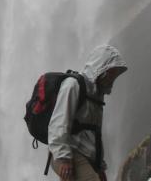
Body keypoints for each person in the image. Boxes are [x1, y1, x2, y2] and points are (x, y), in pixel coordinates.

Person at [48, 45, 127, 181]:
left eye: (115, 73)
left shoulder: (97, 95)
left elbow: (94, 133)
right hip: (68, 151)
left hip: (85, 154)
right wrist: (64, 158)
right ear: (102, 68)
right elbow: (58, 124)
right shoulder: (73, 85)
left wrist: (100, 166)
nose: (113, 78)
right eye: (112, 72)